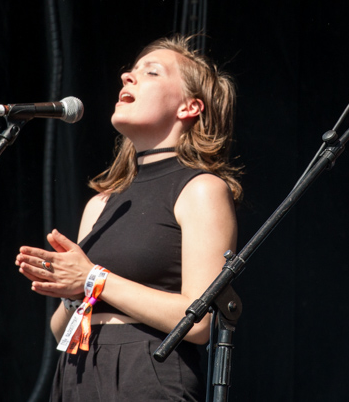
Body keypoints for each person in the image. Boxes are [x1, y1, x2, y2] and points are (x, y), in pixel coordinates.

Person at [15, 36, 242, 401]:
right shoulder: (101, 203)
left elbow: (201, 322)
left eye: (150, 72)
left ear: (189, 107)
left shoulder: (201, 189)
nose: (126, 77)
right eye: (130, 71)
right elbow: (61, 329)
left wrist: (93, 278)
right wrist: (73, 293)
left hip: (148, 371)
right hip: (77, 372)